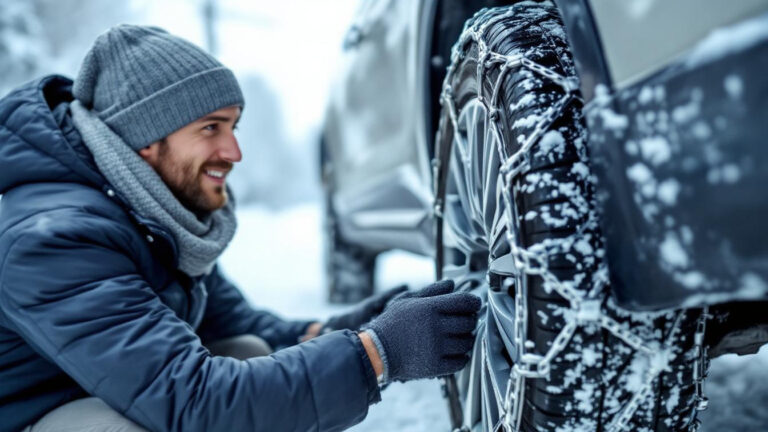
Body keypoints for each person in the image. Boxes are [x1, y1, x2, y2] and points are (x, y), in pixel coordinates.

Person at [0, 25, 480, 432]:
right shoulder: (55, 239)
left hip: (86, 387)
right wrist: (379, 352)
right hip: (33, 415)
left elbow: (240, 327)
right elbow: (196, 403)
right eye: (211, 128)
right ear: (143, 138)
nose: (234, 152)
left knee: (248, 351)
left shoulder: (153, 215)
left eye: (234, 126)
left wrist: (344, 328)